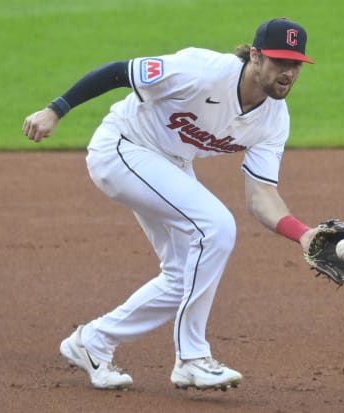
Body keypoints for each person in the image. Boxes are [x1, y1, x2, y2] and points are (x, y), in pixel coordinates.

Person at [23, 17, 318, 391]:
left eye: (295, 64)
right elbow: (119, 72)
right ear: (256, 57)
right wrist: (55, 110)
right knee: (216, 227)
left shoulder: (274, 120)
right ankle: (192, 357)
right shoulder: (201, 71)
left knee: (185, 276)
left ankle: (92, 341)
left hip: (169, 163)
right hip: (122, 148)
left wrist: (303, 234)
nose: (288, 72)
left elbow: (261, 197)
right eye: (279, 61)